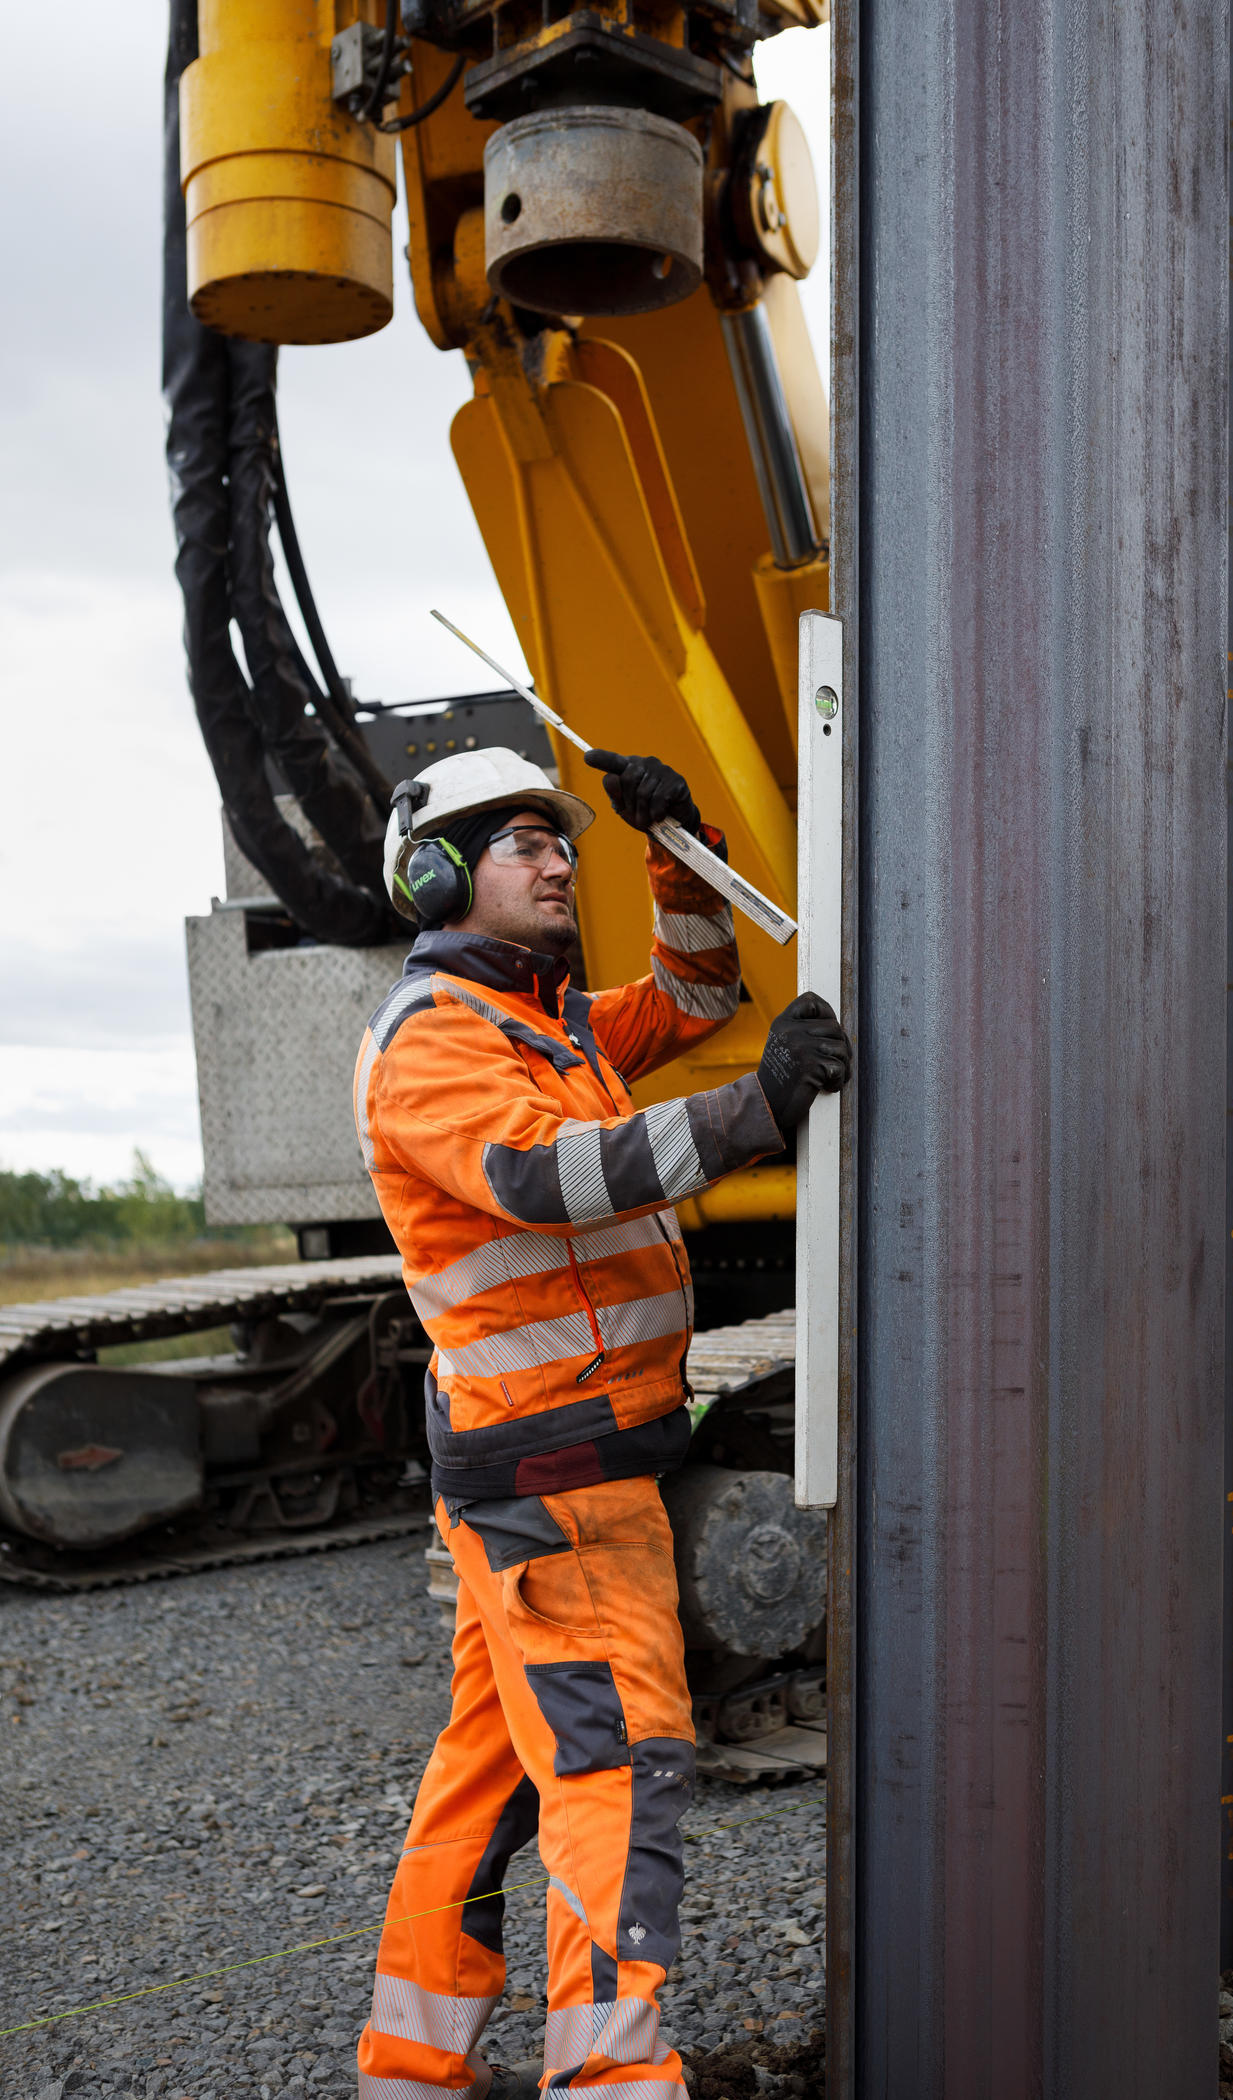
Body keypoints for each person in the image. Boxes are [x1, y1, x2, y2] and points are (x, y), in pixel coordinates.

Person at [352, 743, 851, 2100]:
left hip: (535, 1472)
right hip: (558, 1481)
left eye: (560, 840)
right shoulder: (435, 1044)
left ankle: (412, 2063)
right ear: (437, 875)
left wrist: (674, 842)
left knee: (494, 1773)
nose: (554, 858)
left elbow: (696, 990)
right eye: (521, 840)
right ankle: (613, 2081)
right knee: (617, 1767)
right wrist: (757, 1111)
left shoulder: (551, 1020)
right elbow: (543, 1175)